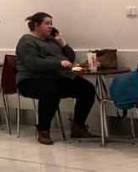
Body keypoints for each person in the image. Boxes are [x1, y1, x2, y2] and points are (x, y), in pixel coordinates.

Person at [16, 12, 96, 145]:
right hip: (31, 79)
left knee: (86, 88)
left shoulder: (52, 41)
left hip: (55, 77)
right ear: (36, 25)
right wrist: (58, 63)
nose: (50, 27)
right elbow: (33, 63)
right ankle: (43, 130)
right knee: (49, 90)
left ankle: (78, 126)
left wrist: (63, 43)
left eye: (51, 24)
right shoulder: (26, 41)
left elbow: (70, 58)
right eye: (46, 24)